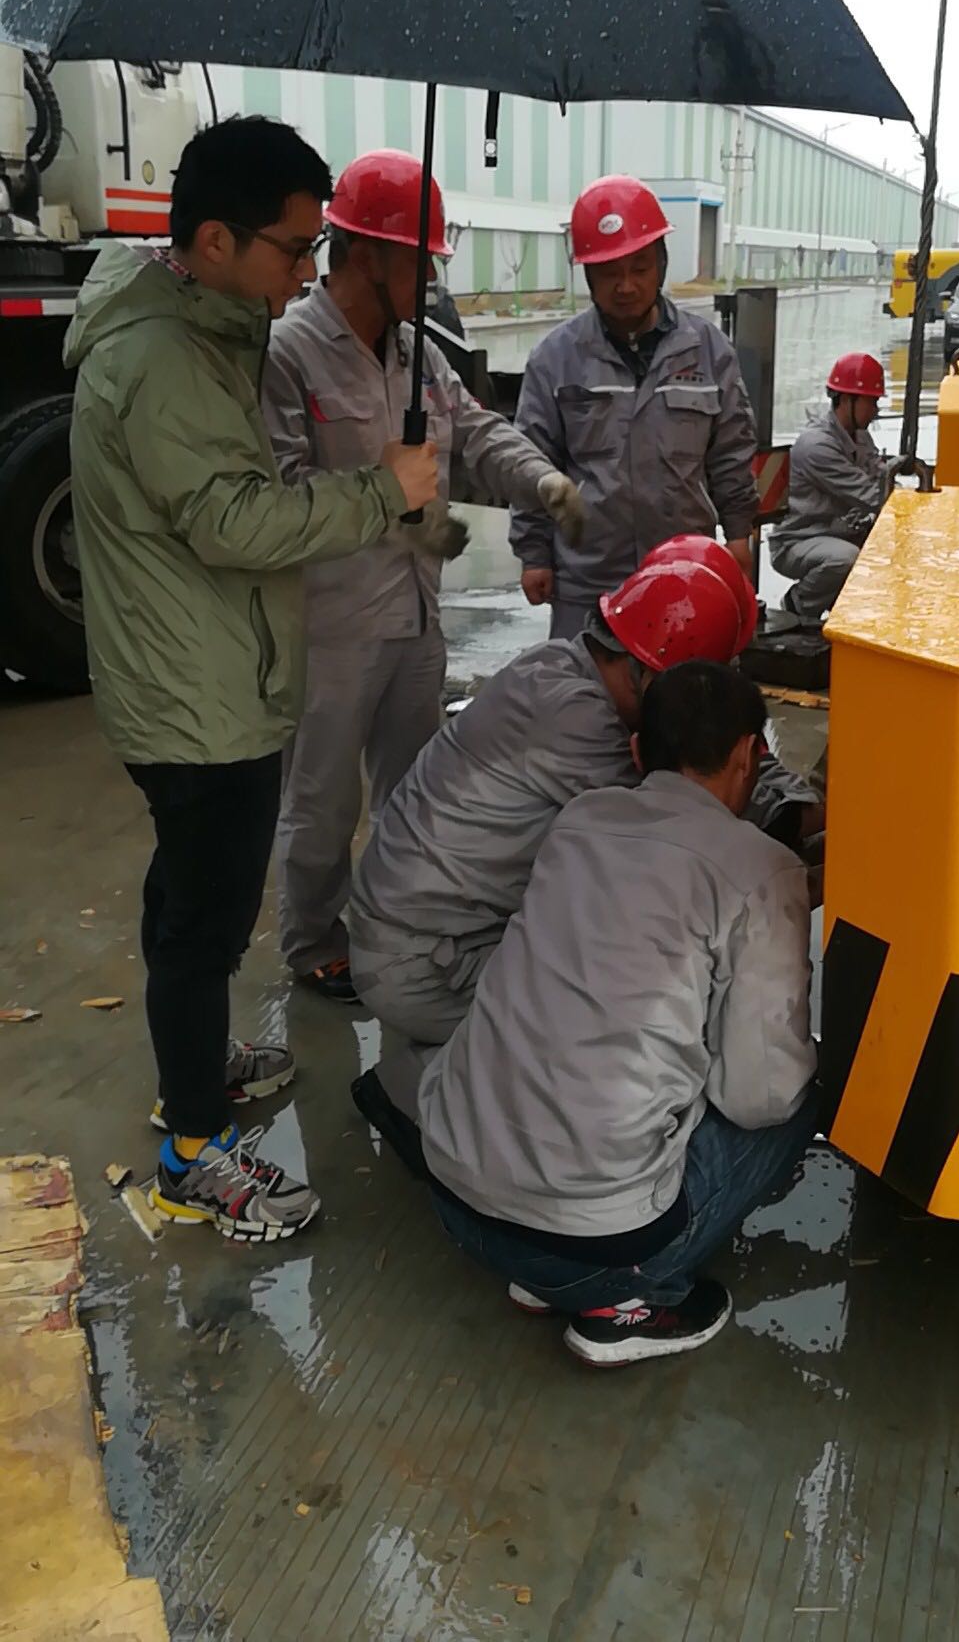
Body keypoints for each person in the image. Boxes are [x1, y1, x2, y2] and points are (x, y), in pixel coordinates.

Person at [66, 116, 439, 1242]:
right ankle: (192, 1154)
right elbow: (232, 520)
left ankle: (191, 1065)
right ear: (216, 240)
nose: (308, 270)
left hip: (205, 673)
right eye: (295, 247)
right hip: (197, 698)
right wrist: (381, 493)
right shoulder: (163, 361)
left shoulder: (203, 327)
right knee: (207, 921)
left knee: (186, 900)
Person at [348, 542, 820, 1149]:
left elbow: (727, 758)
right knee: (675, 1003)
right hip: (427, 966)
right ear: (652, 678)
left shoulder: (559, 664)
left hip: (428, 933)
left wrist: (794, 802)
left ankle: (435, 1074)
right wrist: (801, 859)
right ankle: (423, 1090)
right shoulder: (582, 726)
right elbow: (704, 833)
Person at [419, 661, 818, 1368]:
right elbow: (760, 1097)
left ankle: (543, 1273)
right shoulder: (761, 869)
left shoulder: (580, 819)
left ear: (637, 751)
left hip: (455, 1197)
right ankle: (629, 1304)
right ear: (748, 754)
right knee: (801, 1086)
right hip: (595, 1247)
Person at [262, 150, 582, 1000]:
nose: (432, 278)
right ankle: (313, 938)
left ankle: (398, 917)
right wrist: (388, 496)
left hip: (414, 613)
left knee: (415, 788)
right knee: (323, 799)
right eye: (420, 260)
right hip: (331, 627)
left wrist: (542, 481)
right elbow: (280, 494)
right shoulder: (288, 354)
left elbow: (476, 432)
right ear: (367, 256)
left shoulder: (421, 356)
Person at [509, 175, 760, 640]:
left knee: (683, 686)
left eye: (639, 268)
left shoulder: (708, 351)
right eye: (609, 273)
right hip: (588, 581)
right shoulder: (555, 359)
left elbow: (731, 451)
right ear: (589, 276)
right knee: (583, 685)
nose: (625, 286)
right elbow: (532, 463)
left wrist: (739, 535)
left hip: (683, 575)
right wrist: (534, 554)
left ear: (661, 264)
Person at [769, 352, 888, 623]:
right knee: (846, 559)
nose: (876, 411)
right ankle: (798, 605)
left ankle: (843, 612)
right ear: (846, 399)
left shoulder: (858, 435)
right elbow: (871, 495)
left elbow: (880, 476)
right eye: (871, 402)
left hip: (835, 532)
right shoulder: (817, 446)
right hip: (797, 541)